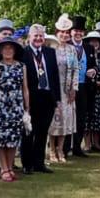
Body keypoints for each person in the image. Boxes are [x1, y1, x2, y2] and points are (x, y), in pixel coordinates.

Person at [0, 35, 28, 181]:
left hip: (16, 108)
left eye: (11, 48)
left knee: (13, 139)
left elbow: (25, 89)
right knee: (0, 139)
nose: (8, 50)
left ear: (15, 50)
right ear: (1, 51)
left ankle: (10, 167)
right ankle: (3, 168)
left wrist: (27, 108)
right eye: (5, 48)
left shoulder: (22, 67)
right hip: (0, 108)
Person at [21, 24, 59, 174]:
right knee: (29, 132)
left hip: (48, 97)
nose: (38, 38)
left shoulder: (50, 52)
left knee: (43, 132)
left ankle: (39, 163)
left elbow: (55, 76)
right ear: (29, 37)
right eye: (35, 35)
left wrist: (57, 99)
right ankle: (27, 164)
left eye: (41, 35)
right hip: (31, 97)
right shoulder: (23, 53)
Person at [49, 15, 81, 164]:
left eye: (67, 32)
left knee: (66, 120)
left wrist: (74, 88)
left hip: (67, 89)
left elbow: (76, 68)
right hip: (54, 88)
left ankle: (61, 149)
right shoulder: (50, 48)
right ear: (57, 32)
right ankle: (51, 150)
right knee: (55, 120)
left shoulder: (72, 49)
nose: (64, 35)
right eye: (62, 31)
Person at [79, 30, 100, 153]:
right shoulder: (84, 55)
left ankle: (96, 143)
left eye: (97, 41)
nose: (94, 43)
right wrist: (95, 83)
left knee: (98, 118)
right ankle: (87, 144)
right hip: (88, 90)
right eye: (92, 41)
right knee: (87, 117)